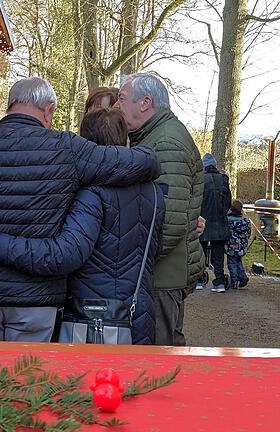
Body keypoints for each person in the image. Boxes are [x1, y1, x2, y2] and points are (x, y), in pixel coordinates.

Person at [0, 77, 161, 342]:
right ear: (47, 110)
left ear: (11, 106)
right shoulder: (66, 149)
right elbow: (136, 163)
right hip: (36, 297)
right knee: (29, 378)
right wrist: (151, 156)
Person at [0, 108, 164, 344]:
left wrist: (0, 244)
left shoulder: (92, 193)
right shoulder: (153, 191)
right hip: (137, 313)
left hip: (94, 320)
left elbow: (66, 254)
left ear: (85, 142)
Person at [114, 73, 205, 346]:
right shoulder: (155, 136)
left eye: (121, 98)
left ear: (145, 103)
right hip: (160, 274)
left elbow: (169, 223)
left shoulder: (165, 144)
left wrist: (133, 263)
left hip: (162, 277)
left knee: (160, 361)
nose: (117, 106)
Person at [198, 153, 232, 293]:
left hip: (203, 222)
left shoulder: (200, 180)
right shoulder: (223, 179)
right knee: (218, 254)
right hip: (219, 222)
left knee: (201, 252)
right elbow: (228, 201)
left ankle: (199, 280)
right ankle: (219, 283)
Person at [226, 200, 251, 290]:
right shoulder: (246, 221)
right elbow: (248, 233)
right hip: (242, 246)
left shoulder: (228, 221)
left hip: (231, 245)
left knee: (232, 263)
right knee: (238, 261)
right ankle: (243, 277)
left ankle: (234, 280)